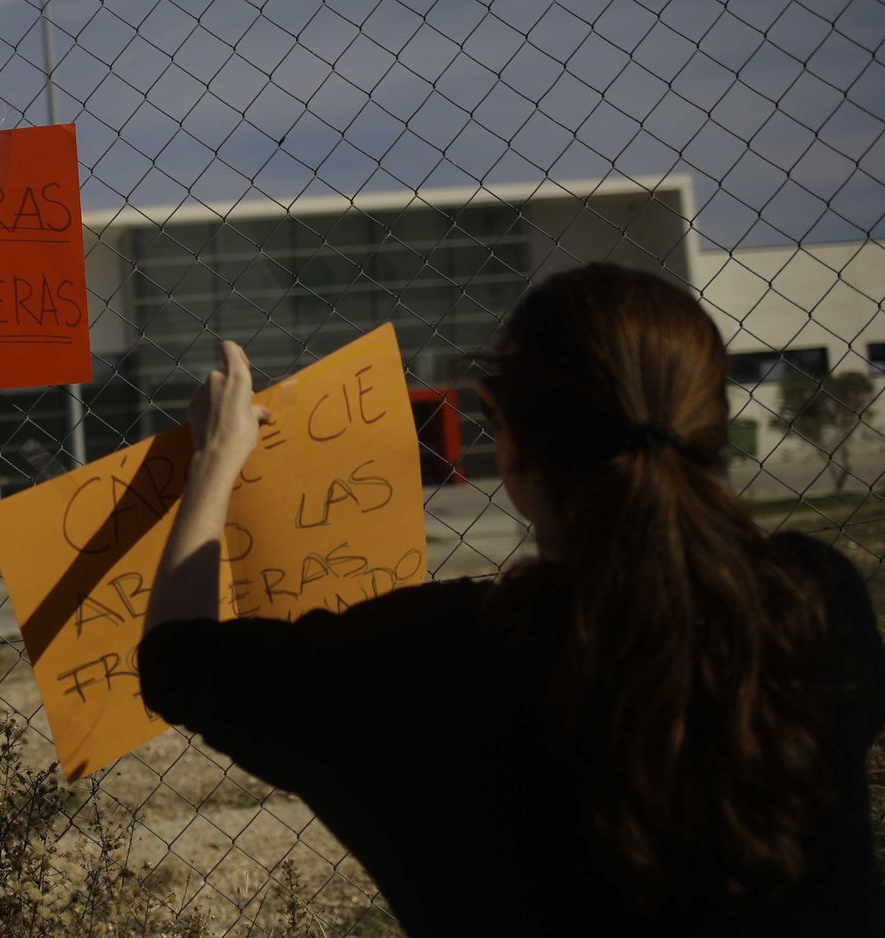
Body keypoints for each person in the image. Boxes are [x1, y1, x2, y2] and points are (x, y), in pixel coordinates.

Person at [138, 263, 884, 936]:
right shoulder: (819, 600)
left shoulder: (435, 662)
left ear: (509, 439)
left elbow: (176, 657)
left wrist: (213, 462)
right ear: (710, 420)